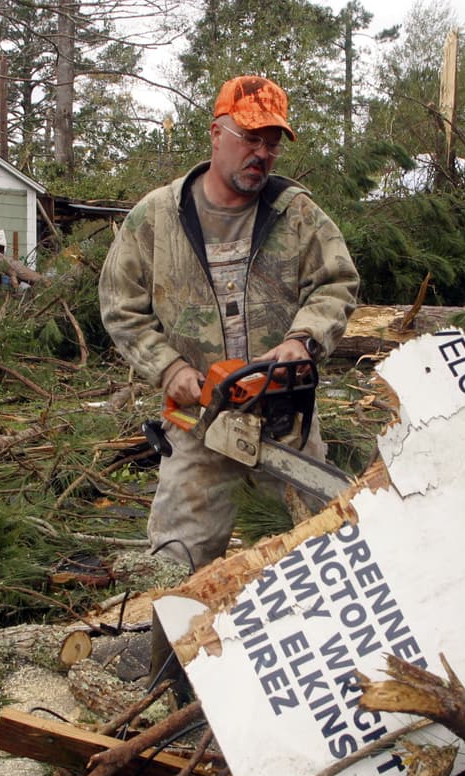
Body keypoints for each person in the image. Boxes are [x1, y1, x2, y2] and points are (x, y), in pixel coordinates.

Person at [99, 74, 359, 570]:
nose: (261, 153)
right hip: (200, 422)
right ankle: (174, 643)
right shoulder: (157, 217)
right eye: (250, 138)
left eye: (272, 143)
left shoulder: (296, 213)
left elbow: (337, 282)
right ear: (216, 134)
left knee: (316, 554)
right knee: (177, 564)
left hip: (284, 420)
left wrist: (302, 340)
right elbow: (119, 304)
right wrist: (170, 368)